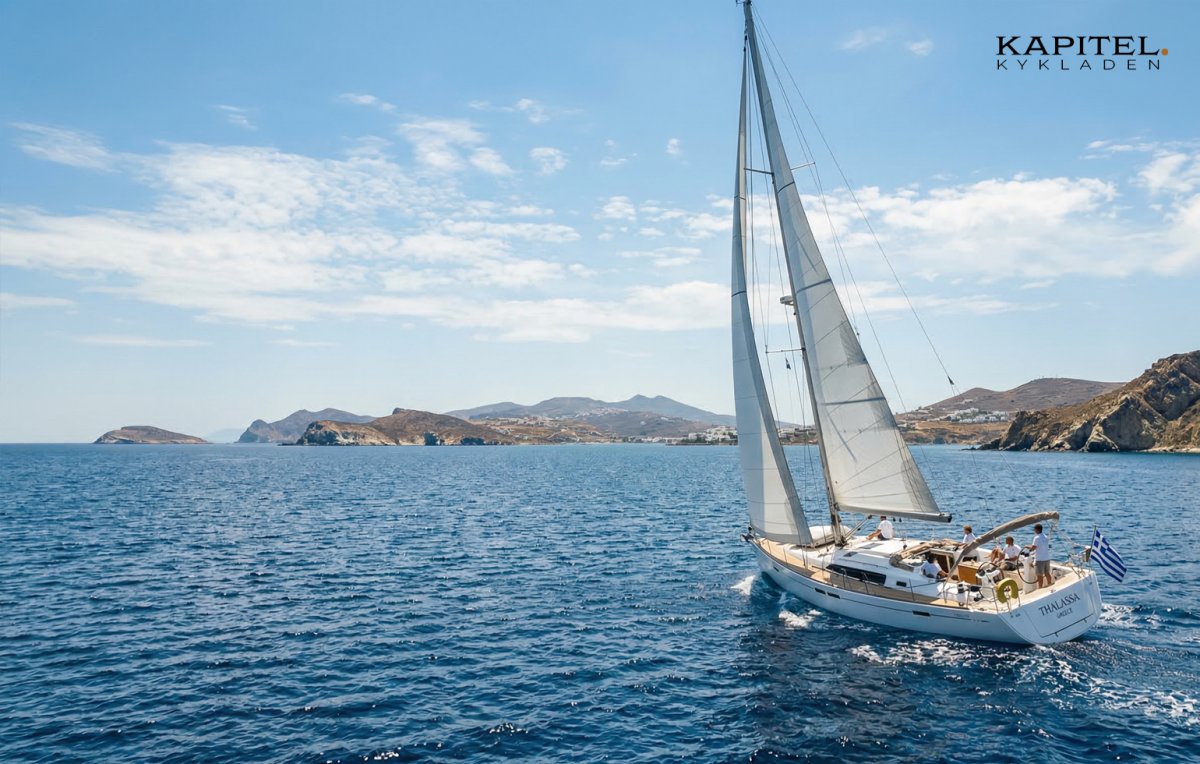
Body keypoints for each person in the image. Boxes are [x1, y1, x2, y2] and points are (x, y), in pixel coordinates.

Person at [1026, 523, 1052, 588]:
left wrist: (1027, 546)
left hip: (1040, 559)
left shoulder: (1036, 538)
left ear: (1036, 530)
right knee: (1047, 573)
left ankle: (1040, 588)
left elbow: (1033, 548)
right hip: (1047, 558)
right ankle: (1050, 584)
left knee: (1039, 575)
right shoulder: (1046, 537)